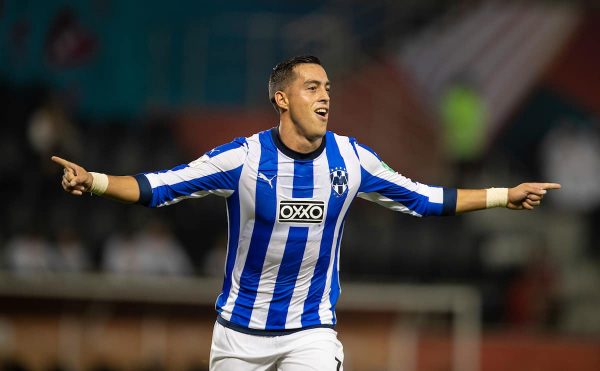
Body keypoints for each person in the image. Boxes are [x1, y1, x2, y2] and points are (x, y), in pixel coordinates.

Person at [51, 55, 560, 370]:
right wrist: (93, 180)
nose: (325, 97)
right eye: (312, 87)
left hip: (311, 333)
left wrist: (504, 195)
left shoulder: (351, 159)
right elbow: (159, 187)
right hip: (237, 336)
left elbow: (425, 199)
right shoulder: (244, 158)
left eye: (329, 89)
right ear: (281, 98)